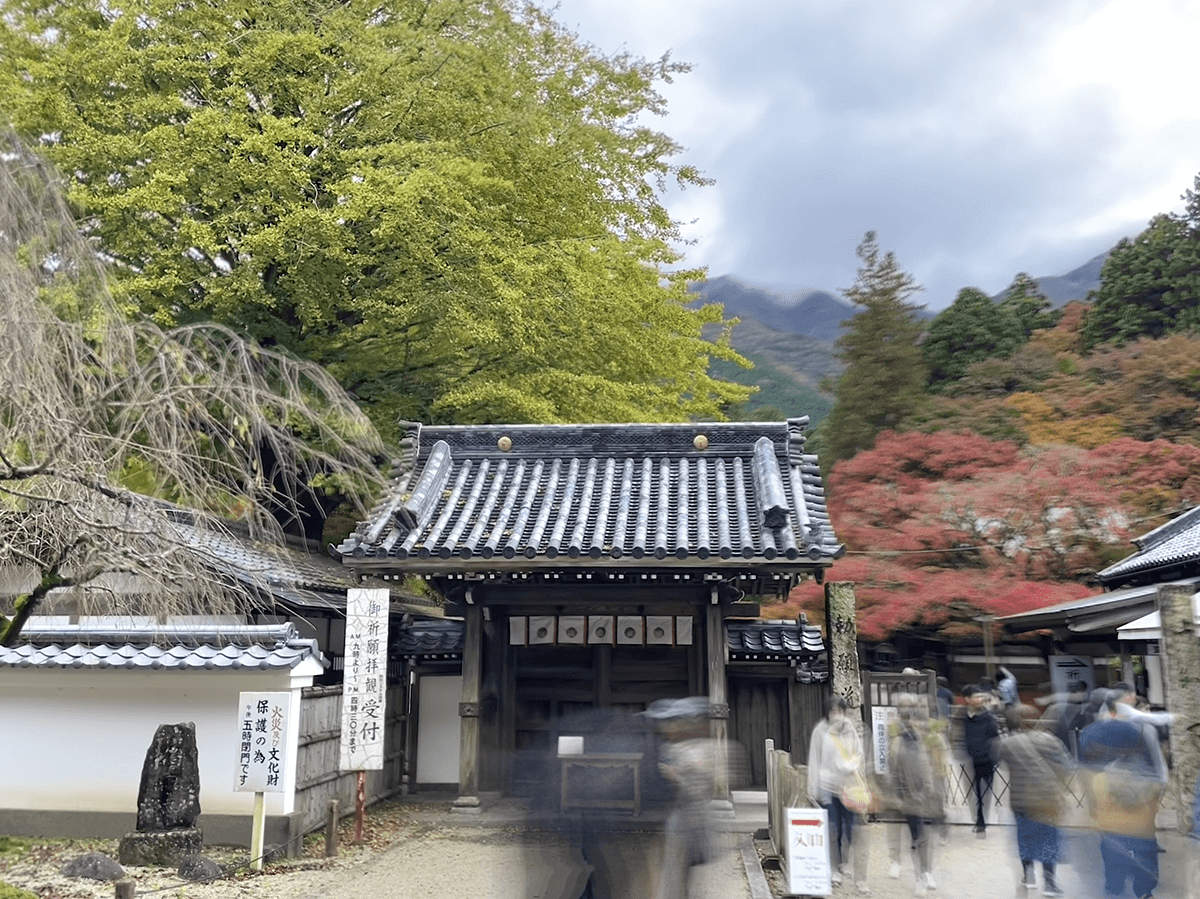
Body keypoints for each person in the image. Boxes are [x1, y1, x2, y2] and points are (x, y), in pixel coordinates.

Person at [1078, 691, 1168, 899]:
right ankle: (1144, 889)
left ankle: (1115, 886)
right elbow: (1152, 769)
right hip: (1139, 796)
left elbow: (1085, 770)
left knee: (1111, 844)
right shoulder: (1140, 730)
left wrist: (1092, 807)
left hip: (1105, 797)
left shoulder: (1089, 732)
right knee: (1144, 844)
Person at [644, 697, 720, 899]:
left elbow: (703, 788)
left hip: (695, 814)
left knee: (685, 871)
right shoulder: (671, 748)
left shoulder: (701, 749)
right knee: (673, 872)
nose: (667, 727)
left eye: (672, 722)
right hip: (677, 816)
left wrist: (675, 777)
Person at [1000, 705, 1072, 897]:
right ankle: (1049, 882)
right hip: (1047, 799)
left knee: (1024, 837)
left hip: (1020, 799)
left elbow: (1004, 765)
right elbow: (1066, 768)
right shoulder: (1051, 741)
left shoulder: (1009, 744)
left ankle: (1028, 875)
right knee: (1048, 839)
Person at [807, 696, 866, 891]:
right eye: (833, 711)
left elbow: (859, 753)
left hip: (847, 786)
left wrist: (852, 766)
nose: (837, 715)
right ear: (827, 712)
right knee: (832, 827)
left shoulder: (850, 729)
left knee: (849, 826)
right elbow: (814, 758)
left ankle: (844, 862)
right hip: (827, 785)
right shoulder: (820, 730)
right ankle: (833, 868)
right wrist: (812, 787)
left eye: (840, 711)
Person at [885, 700, 940, 896]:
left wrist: (930, 788)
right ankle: (919, 875)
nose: (913, 723)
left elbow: (928, 767)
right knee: (917, 838)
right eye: (909, 719)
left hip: (921, 797)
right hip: (906, 797)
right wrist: (896, 795)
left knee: (921, 838)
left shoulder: (922, 740)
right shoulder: (898, 742)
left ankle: (924, 874)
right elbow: (893, 770)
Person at [961, 684, 1000, 836]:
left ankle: (982, 820)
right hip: (968, 761)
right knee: (973, 793)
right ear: (967, 699)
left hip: (985, 761)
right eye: (977, 697)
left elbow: (995, 738)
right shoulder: (962, 717)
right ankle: (978, 819)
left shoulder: (988, 718)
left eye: (981, 696)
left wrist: (992, 757)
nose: (981, 699)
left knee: (984, 793)